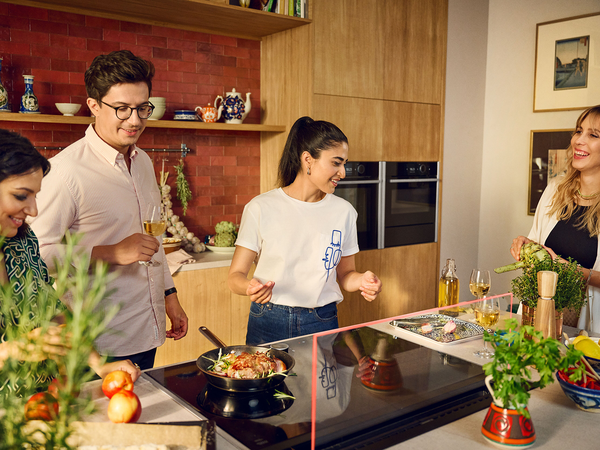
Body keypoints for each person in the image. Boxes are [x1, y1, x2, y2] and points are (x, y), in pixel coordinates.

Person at [30, 50, 188, 370]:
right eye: (121, 109)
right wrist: (109, 252)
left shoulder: (142, 161)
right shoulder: (64, 172)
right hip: (98, 341)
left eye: (143, 108)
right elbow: (37, 256)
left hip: (147, 326)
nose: (135, 120)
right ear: (94, 106)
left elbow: (150, 238)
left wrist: (170, 295)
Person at [0, 129, 140, 388]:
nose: (33, 210)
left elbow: (54, 313)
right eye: (21, 196)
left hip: (42, 405)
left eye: (35, 196)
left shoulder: (23, 241)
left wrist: (98, 364)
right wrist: (13, 350)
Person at [228, 116, 382, 345]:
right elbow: (234, 277)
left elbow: (346, 275)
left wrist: (363, 281)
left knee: (317, 384)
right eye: (336, 163)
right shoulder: (261, 207)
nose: (343, 172)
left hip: (321, 320)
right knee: (267, 381)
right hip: (268, 319)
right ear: (308, 159)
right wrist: (249, 287)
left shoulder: (344, 212)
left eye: (344, 164)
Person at [510, 105, 600, 333]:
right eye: (578, 131)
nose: (579, 140)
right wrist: (527, 247)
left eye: (593, 135)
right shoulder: (555, 188)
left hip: (589, 332)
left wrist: (569, 270)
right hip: (538, 320)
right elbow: (537, 246)